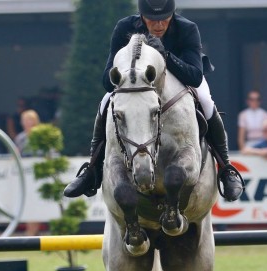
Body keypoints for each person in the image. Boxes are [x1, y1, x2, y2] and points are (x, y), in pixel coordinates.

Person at [64, 0, 244, 202]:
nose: (158, 25)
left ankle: (226, 169)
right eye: (152, 20)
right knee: (106, 102)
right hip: (139, 85)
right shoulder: (125, 27)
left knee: (206, 101)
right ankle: (92, 170)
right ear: (141, 16)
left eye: (164, 20)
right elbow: (107, 80)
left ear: (172, 14)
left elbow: (194, 76)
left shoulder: (187, 28)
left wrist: (165, 56)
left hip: (182, 79)